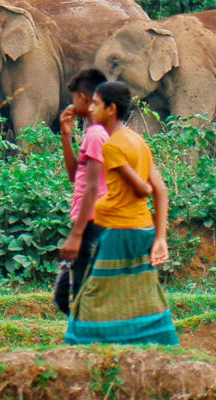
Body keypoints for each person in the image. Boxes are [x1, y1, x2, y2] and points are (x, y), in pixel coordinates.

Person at [64, 81, 179, 346]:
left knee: (93, 295)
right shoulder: (137, 140)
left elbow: (144, 189)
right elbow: (162, 190)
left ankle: (78, 347)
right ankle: (162, 343)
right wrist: (160, 237)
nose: (90, 109)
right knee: (145, 292)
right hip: (142, 229)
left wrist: (76, 235)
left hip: (119, 231)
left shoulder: (112, 147)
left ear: (111, 109)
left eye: (96, 104)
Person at [53, 68, 109, 315]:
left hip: (92, 221)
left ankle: (87, 341)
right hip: (87, 219)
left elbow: (92, 187)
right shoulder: (91, 134)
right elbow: (76, 177)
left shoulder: (97, 134)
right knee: (70, 292)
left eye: (75, 97)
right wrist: (66, 137)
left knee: (77, 292)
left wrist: (76, 235)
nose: (72, 103)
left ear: (85, 99)